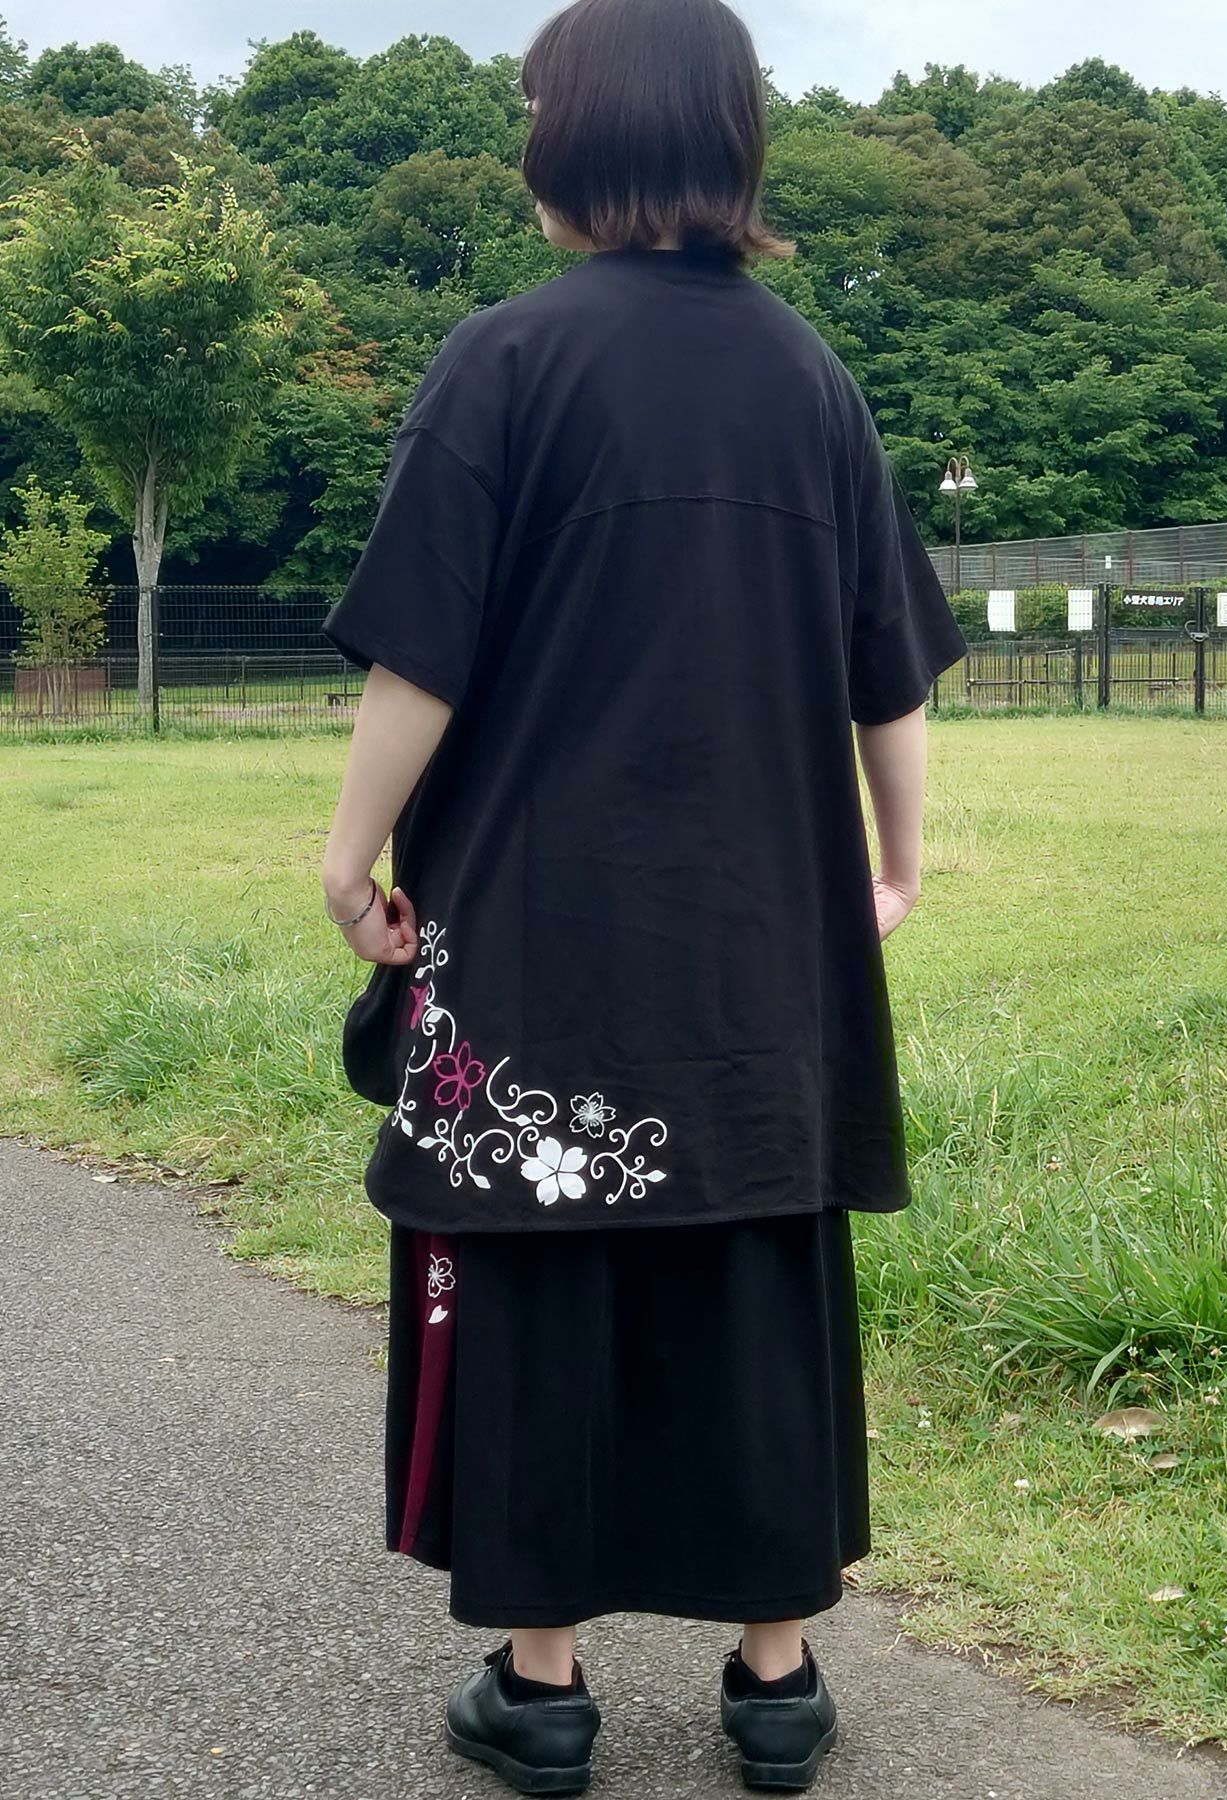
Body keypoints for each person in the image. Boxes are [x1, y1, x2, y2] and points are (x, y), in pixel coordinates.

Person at [320, 0, 968, 1791]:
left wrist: (345, 852)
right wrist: (896, 864)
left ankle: (542, 1693)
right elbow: (889, 679)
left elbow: (419, 661)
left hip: (535, 920)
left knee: (539, 1248)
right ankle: (776, 1681)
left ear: (581, 134)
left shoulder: (503, 361)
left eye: (533, 104)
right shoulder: (809, 379)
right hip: (761, 934)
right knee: (753, 1247)